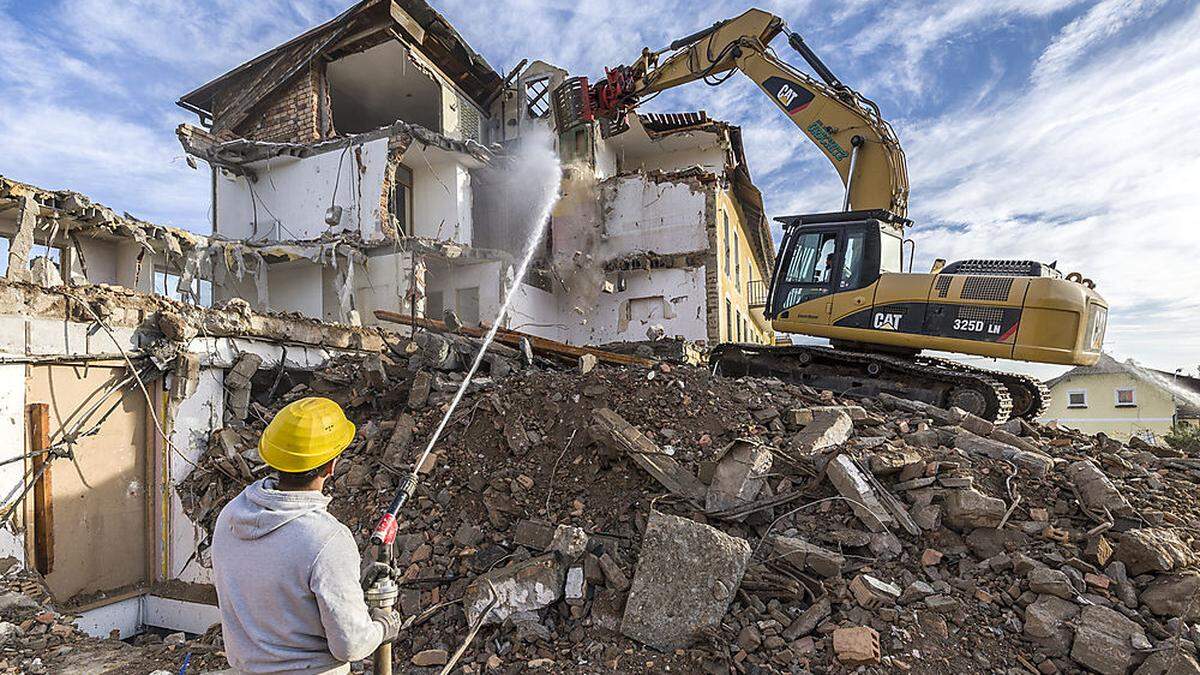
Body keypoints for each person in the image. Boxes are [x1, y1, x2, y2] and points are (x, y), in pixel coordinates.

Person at [212, 397, 402, 674]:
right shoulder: (326, 539)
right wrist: (384, 625)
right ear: (331, 467)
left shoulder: (230, 516)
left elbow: (278, 587)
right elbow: (350, 645)